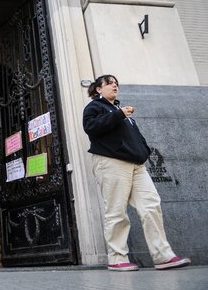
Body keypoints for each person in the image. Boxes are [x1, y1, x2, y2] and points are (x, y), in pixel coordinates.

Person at [82, 74, 191, 272]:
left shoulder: (119, 110)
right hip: (112, 163)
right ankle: (117, 258)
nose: (115, 85)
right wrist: (119, 115)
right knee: (116, 211)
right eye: (109, 83)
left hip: (137, 165)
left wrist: (144, 149)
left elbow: (135, 136)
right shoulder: (95, 107)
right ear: (98, 89)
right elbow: (90, 127)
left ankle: (163, 256)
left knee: (151, 205)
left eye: (116, 83)